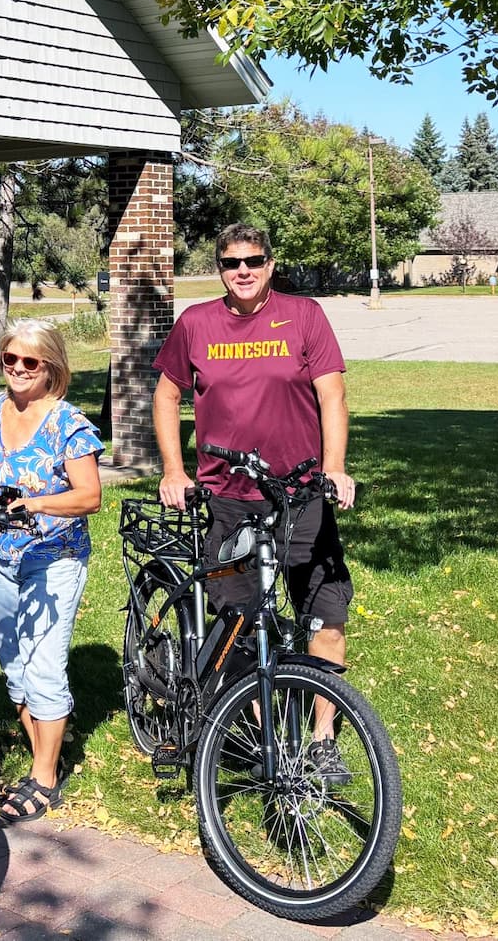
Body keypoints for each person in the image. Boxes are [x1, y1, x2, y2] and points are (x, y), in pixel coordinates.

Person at [152, 224, 356, 781]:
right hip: (228, 498)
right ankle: (251, 723)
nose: (242, 270)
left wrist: (333, 466)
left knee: (325, 614)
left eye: (253, 260)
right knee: (236, 620)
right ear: (219, 267)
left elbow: (332, 394)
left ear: (270, 264)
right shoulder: (196, 323)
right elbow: (167, 395)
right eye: (230, 262)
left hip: (298, 494)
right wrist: (174, 469)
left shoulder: (305, 315)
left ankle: (322, 739)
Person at [0, 318, 103, 822]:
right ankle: (44, 744)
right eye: (9, 360)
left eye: (29, 362)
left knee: (43, 666)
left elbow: (90, 496)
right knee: (14, 664)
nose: (17, 369)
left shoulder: (69, 424)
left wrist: (37, 505)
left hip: (53, 558)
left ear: (51, 367)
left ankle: (44, 777)